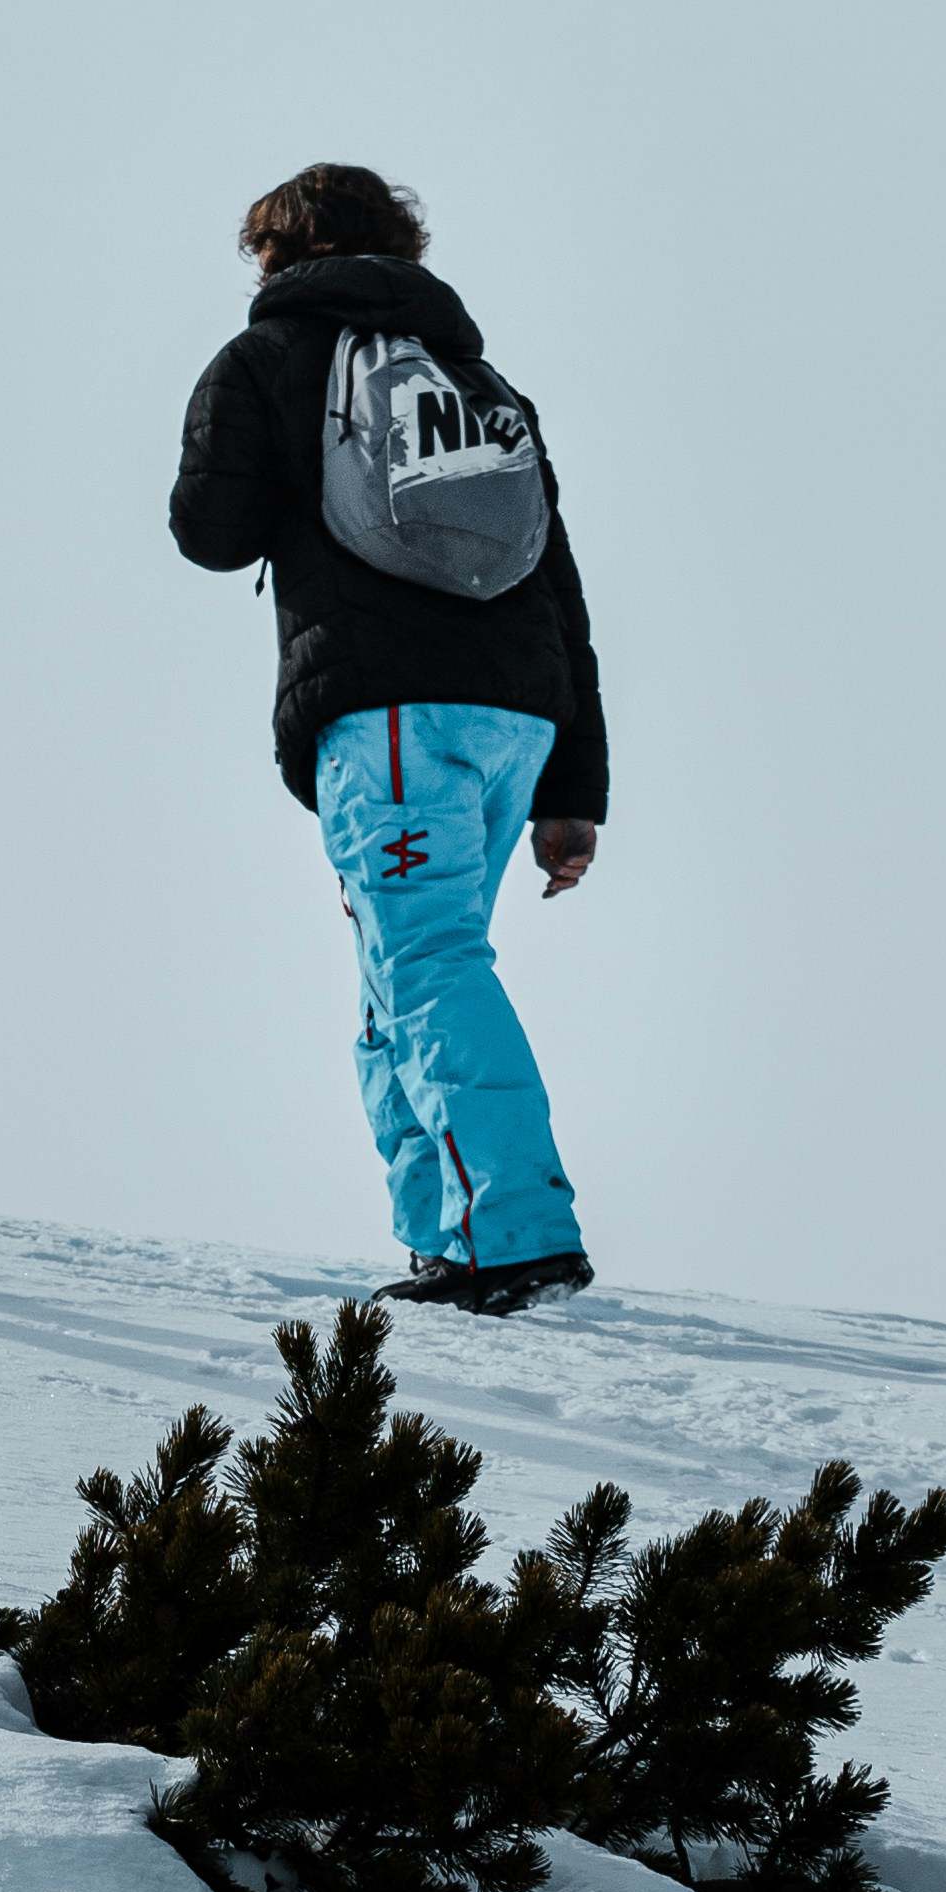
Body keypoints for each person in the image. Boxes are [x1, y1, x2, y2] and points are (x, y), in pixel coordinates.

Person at [167, 160, 606, 1313]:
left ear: (272, 255)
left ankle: (514, 1232)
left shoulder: (265, 360)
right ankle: (445, 1237)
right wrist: (576, 789)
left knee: (421, 965)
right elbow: (555, 583)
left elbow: (205, 533)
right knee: (394, 975)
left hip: (386, 709)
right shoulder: (476, 380)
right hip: (517, 716)